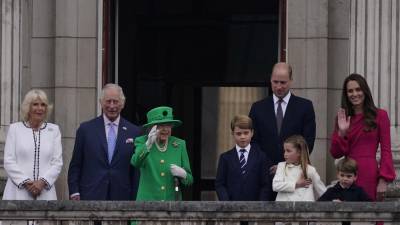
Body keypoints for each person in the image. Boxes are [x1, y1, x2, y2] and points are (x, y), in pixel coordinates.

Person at [249, 62, 316, 199]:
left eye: (283, 82)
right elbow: (253, 142)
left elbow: (308, 141)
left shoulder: (305, 107)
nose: (279, 86)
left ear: (291, 81)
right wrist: (268, 165)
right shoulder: (257, 108)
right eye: (275, 82)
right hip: (264, 175)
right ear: (270, 80)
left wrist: (283, 166)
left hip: (295, 176)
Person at [68, 83, 141, 200]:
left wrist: (136, 198)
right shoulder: (85, 130)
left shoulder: (134, 132)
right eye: (108, 101)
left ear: (122, 104)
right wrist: (74, 191)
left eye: (115, 101)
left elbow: (136, 171)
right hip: (91, 196)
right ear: (101, 102)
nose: (112, 106)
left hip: (122, 198)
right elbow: (76, 165)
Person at [330, 73, 396, 202]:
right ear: (346, 94)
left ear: (365, 91)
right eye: (350, 91)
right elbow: (335, 153)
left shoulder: (380, 115)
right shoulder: (342, 118)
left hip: (370, 173)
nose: (354, 94)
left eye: (358, 89)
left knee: (372, 214)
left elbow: (386, 150)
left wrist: (383, 180)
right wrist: (342, 133)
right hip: (348, 174)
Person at [3, 89, 63, 200]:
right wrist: (26, 182)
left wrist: (42, 182)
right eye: (35, 104)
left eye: (43, 105)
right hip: (18, 192)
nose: (39, 108)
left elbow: (57, 163)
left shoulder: (54, 130)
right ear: (28, 108)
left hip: (45, 193)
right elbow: (8, 160)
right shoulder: (15, 129)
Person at [131, 106, 193, 201]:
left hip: (172, 205)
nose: (165, 129)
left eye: (168, 125)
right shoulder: (142, 141)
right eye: (161, 125)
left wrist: (183, 174)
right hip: (147, 205)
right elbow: (136, 162)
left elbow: (189, 180)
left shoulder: (179, 144)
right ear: (152, 127)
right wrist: (148, 144)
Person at [215, 115, 271, 201]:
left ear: (252, 133)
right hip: (231, 208)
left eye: (246, 133)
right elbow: (220, 184)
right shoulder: (225, 158)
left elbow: (265, 185)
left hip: (255, 208)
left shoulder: (261, 157)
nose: (242, 137)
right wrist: (226, 204)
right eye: (238, 133)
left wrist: (260, 206)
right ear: (232, 134)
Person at [318, 157, 371, 225]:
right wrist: (331, 203)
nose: (345, 179)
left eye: (349, 176)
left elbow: (370, 204)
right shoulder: (331, 191)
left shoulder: (359, 191)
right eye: (342, 175)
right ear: (338, 175)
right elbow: (319, 203)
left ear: (355, 177)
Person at [273, 135, 326, 201]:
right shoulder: (281, 166)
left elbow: (322, 191)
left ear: (299, 152)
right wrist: (296, 184)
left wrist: (334, 201)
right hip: (284, 209)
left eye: (288, 151)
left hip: (304, 209)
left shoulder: (310, 170)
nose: (285, 154)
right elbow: (275, 185)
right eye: (284, 151)